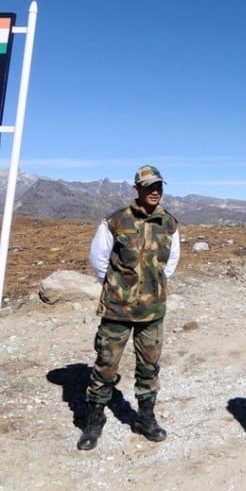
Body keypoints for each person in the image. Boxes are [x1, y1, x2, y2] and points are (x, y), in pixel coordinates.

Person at [77, 164, 181, 451]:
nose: (155, 191)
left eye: (159, 186)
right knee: (106, 365)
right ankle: (94, 420)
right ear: (137, 189)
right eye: (149, 187)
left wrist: (152, 286)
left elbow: (170, 262)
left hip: (152, 311)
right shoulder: (115, 221)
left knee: (149, 367)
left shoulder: (169, 223)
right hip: (117, 310)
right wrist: (118, 287)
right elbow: (99, 260)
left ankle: (145, 418)